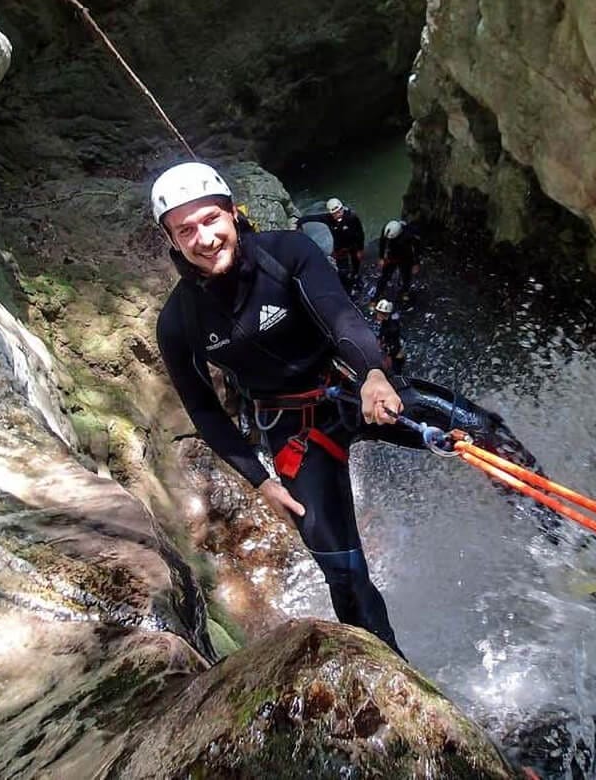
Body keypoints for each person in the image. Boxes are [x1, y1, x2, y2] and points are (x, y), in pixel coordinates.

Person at [153, 163, 408, 654]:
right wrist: (260, 481)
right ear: (172, 239)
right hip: (293, 431)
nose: (203, 239)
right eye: (186, 231)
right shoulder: (178, 321)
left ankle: (566, 546)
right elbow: (205, 412)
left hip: (354, 388)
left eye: (210, 220)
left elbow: (342, 318)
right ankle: (400, 682)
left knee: (477, 431)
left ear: (232, 212)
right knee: (344, 573)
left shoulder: (284, 252)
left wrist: (375, 374)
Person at [296, 197, 365, 291]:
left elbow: (360, 233)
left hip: (352, 245)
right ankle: (346, 284)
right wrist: (299, 222)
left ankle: (356, 276)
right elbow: (312, 218)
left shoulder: (351, 217)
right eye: (335, 214)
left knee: (356, 262)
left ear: (342, 209)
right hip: (340, 248)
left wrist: (360, 249)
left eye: (339, 212)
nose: (338, 215)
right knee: (342, 269)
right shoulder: (328, 219)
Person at [373, 219, 421, 306]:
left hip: (406, 257)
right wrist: (381, 257)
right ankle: (377, 295)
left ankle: (405, 291)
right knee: (385, 276)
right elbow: (382, 244)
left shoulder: (409, 234)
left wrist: (416, 263)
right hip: (391, 256)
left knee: (406, 276)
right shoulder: (386, 230)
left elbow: (416, 248)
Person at [373, 299, 406, 375]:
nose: (377, 315)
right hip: (391, 349)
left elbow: (394, 342)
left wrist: (388, 352)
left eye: (379, 314)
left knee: (395, 370)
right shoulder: (386, 322)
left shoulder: (392, 327)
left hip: (395, 352)